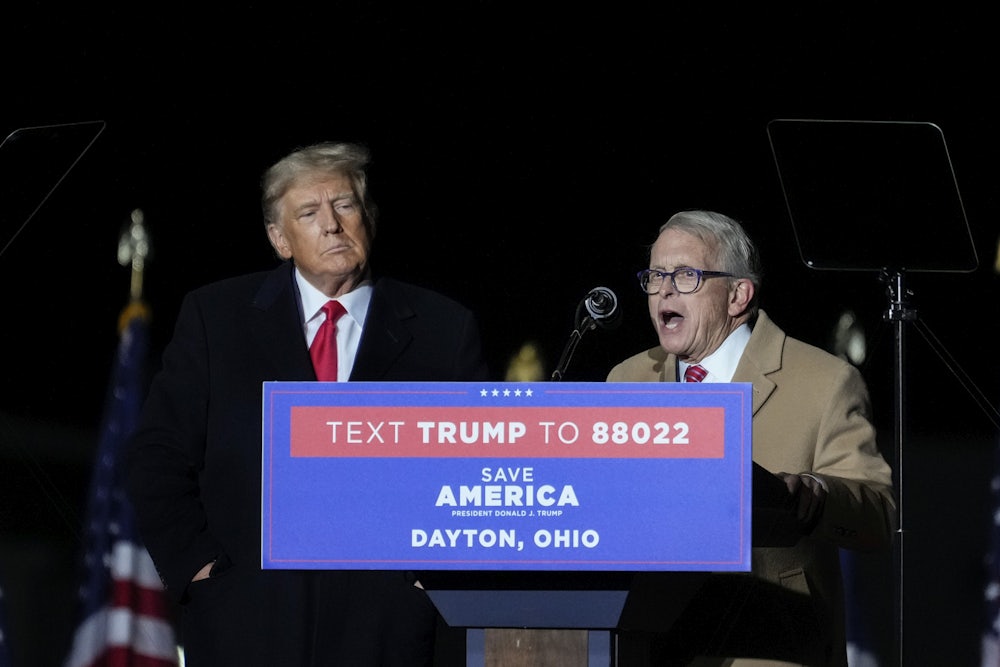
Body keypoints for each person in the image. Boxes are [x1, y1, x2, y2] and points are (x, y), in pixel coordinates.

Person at [125, 141, 489, 666]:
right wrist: (201, 570)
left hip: (387, 625)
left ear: (369, 217)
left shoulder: (443, 329)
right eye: (309, 212)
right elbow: (156, 458)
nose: (333, 225)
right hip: (244, 619)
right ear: (279, 239)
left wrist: (427, 579)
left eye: (345, 205)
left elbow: (474, 469)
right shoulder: (216, 318)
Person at [607, 209, 896, 666]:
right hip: (648, 647)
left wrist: (818, 497)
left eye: (685, 275)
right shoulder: (627, 380)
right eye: (656, 275)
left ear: (738, 294)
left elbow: (878, 515)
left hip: (769, 645)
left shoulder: (824, 381)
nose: (663, 289)